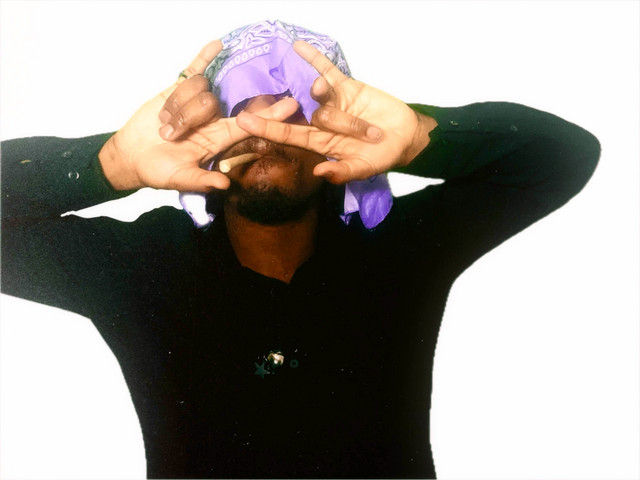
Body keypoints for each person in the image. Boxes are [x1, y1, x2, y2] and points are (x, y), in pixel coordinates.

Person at [0, 20, 600, 479]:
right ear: (206, 136)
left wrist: (419, 136)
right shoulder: (144, 266)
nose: (267, 132)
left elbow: (565, 157)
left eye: (296, 112)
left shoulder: (400, 249)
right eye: (243, 111)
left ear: (335, 135)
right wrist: (109, 165)